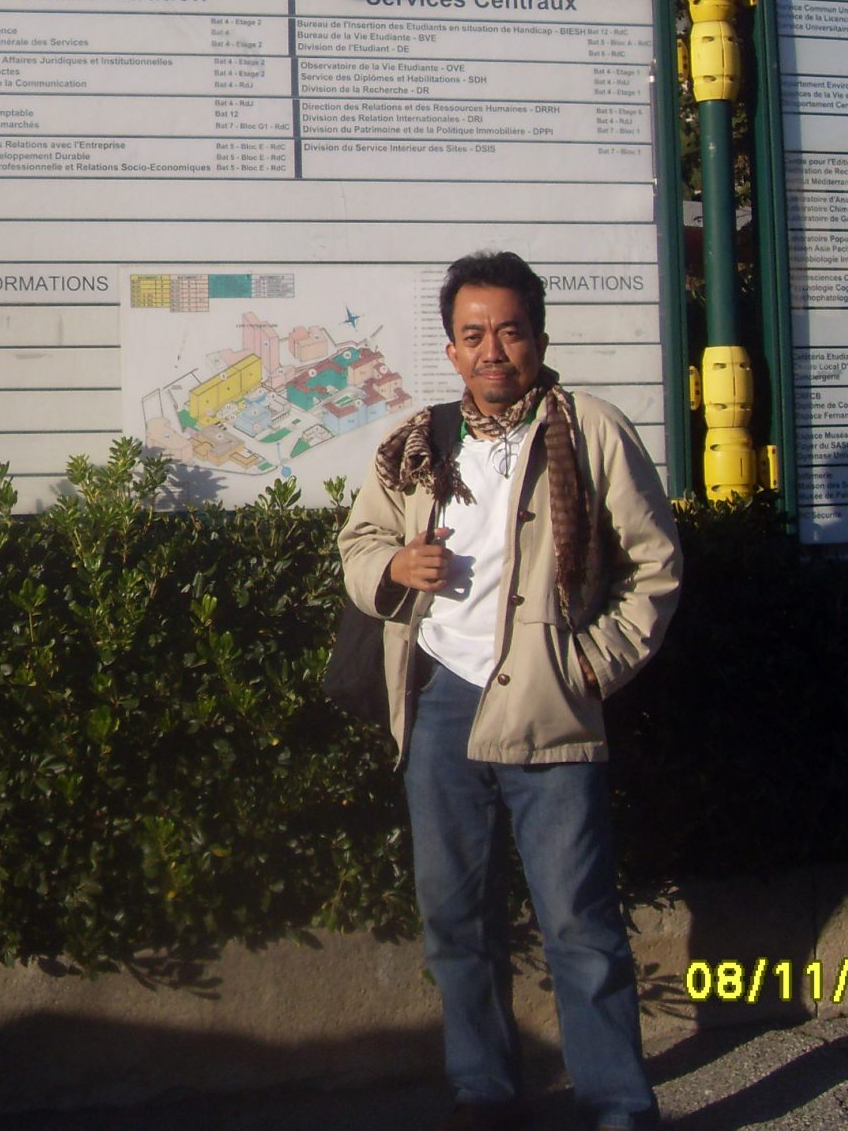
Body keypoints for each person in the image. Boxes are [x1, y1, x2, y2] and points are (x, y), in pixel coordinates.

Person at [338, 250, 682, 1131]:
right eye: (474, 334)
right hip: (437, 700)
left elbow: (654, 567)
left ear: (539, 339)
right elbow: (359, 542)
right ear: (452, 349)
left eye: (510, 331)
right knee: (456, 919)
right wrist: (393, 567)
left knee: (578, 922)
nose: (493, 350)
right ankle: (484, 1091)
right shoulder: (419, 440)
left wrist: (589, 666)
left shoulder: (591, 429)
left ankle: (616, 1102)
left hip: (546, 702)